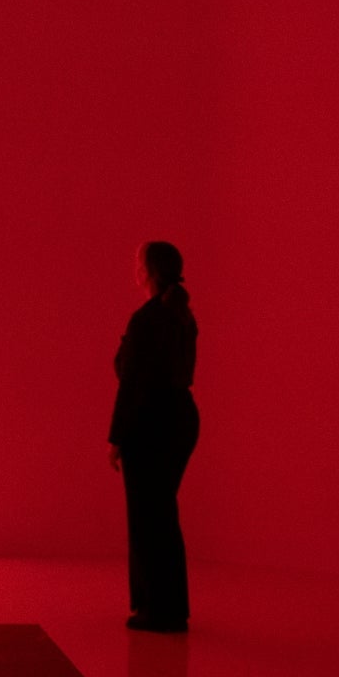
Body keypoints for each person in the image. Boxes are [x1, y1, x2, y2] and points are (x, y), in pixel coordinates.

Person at [108, 241, 199, 632]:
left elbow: (131, 384)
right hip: (180, 418)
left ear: (148, 272)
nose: (135, 268)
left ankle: (155, 609)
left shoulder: (146, 320)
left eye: (138, 262)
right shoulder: (181, 316)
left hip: (150, 423)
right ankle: (169, 606)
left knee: (147, 518)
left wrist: (116, 437)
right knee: (162, 514)